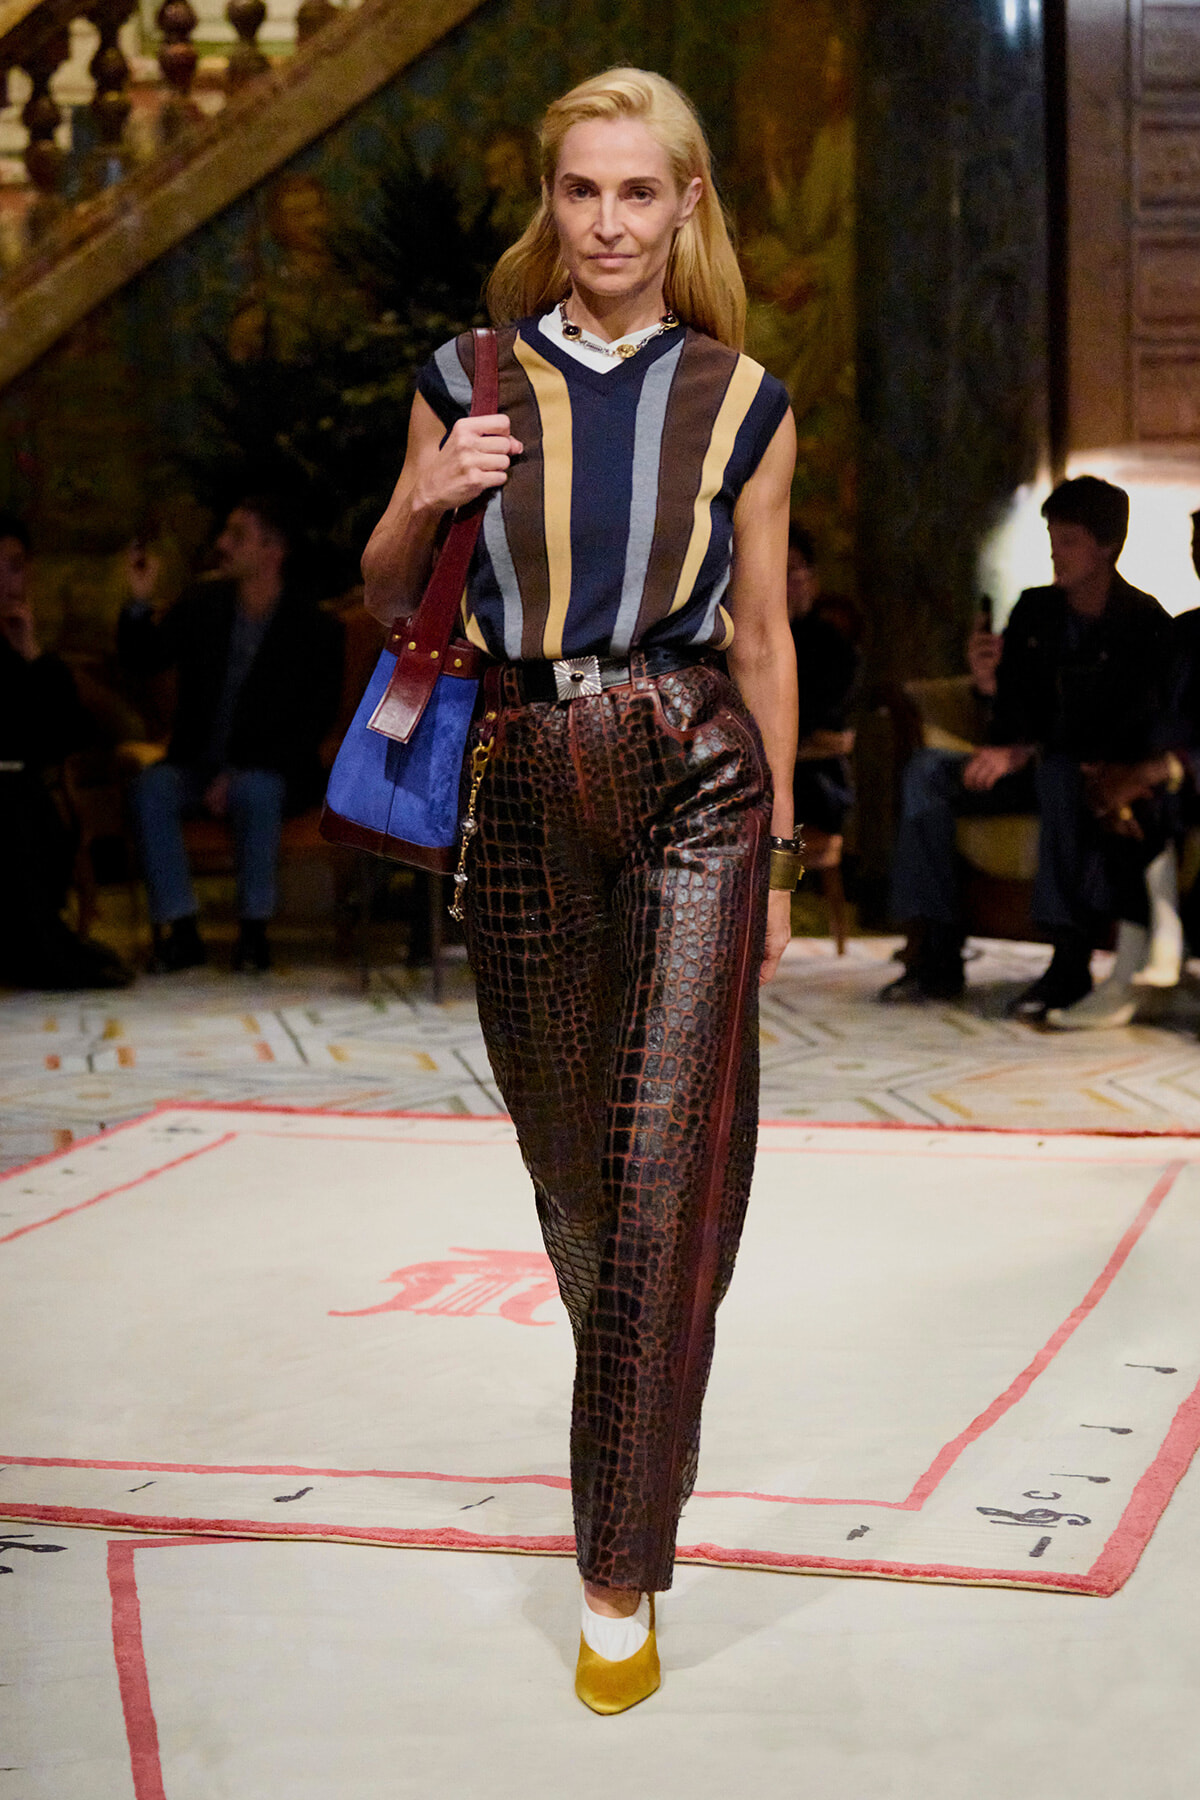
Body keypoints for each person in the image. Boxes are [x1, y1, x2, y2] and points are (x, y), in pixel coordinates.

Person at [359, 68, 797, 1713]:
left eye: (639, 193)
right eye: (582, 190)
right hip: (524, 777)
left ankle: (618, 1574)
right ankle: (646, 1362)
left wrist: (778, 863)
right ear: (552, 203)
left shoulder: (742, 399)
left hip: (696, 773)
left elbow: (765, 636)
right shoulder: (466, 376)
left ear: (686, 208)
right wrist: (428, 495)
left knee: (660, 1156)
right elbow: (382, 586)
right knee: (579, 1177)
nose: (609, 223)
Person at [881, 476, 1171, 1016]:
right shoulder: (1036, 610)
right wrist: (988, 687)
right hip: (1024, 772)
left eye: (1069, 541)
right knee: (927, 770)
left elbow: (1127, 726)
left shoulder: (1143, 623)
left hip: (1086, 778)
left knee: (1058, 771)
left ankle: (1069, 961)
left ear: (1107, 546)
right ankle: (937, 948)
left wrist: (1030, 752)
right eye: (1052, 539)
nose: (1056, 553)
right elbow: (1012, 715)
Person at [119, 496, 344, 972]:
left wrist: (241, 772)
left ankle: (253, 934)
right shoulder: (203, 604)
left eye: (238, 536)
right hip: (195, 765)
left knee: (255, 791)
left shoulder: (314, 627)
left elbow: (313, 723)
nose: (222, 544)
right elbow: (144, 660)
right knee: (151, 788)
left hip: (273, 770)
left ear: (272, 550)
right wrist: (139, 602)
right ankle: (181, 931)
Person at [0, 512, 131, 990]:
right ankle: (42, 948)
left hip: (21, 787)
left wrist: (33, 656)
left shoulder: (28, 652)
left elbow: (71, 734)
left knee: (24, 801)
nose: (7, 581)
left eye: (15, 567)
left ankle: (41, 941)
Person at [787, 523, 860, 841]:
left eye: (791, 572)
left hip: (817, 779)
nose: (781, 584)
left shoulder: (833, 647)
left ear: (812, 581)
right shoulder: (735, 642)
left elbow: (820, 722)